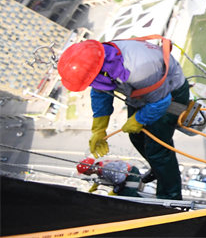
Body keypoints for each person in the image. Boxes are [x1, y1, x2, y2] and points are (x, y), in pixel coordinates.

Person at [58, 37, 190, 200]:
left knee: (158, 150)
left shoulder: (139, 70)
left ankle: (170, 197)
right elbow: (100, 91)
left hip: (169, 94)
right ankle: (159, 170)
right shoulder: (102, 60)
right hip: (140, 93)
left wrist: (139, 120)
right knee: (135, 137)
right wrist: (99, 128)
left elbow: (161, 102)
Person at [76, 157, 143, 197]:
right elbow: (102, 178)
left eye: (84, 172)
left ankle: (149, 207)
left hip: (131, 174)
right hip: (125, 174)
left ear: (89, 170)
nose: (84, 174)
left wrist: (114, 192)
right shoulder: (98, 167)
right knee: (121, 193)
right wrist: (95, 186)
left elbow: (120, 182)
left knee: (127, 195)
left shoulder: (105, 169)